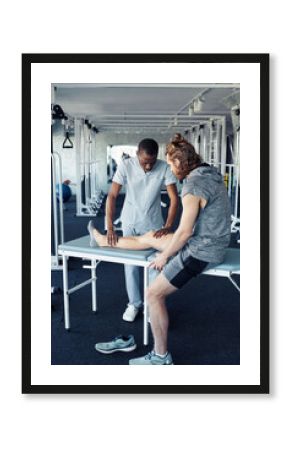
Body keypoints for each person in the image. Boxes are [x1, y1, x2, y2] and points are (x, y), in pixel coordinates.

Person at [89, 133, 231, 365]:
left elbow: (184, 233)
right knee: (149, 238)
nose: (170, 171)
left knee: (153, 294)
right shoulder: (209, 172)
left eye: (170, 163)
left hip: (202, 250)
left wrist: (164, 256)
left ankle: (161, 357)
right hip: (209, 240)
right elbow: (188, 229)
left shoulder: (193, 185)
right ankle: (104, 240)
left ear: (177, 162)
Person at [105, 138, 179, 322]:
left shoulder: (163, 167)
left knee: (155, 264)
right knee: (130, 265)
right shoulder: (126, 165)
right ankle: (134, 303)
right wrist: (110, 225)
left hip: (153, 222)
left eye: (152, 162)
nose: (148, 166)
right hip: (130, 220)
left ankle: (150, 304)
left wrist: (169, 225)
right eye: (145, 161)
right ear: (137, 154)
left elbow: (174, 199)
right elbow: (113, 195)